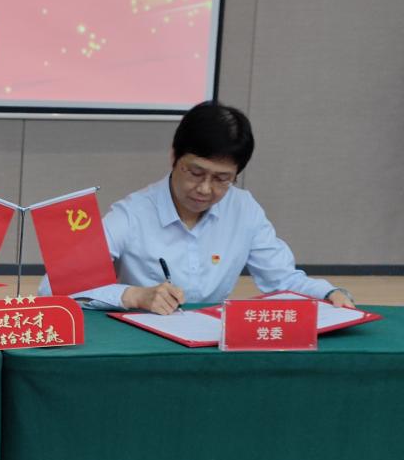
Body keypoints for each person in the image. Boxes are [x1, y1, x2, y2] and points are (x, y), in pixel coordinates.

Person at [38, 101, 354, 314]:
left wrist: (329, 294)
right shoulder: (132, 214)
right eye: (195, 172)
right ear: (174, 156)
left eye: (222, 179)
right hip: (143, 340)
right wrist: (134, 295)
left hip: (212, 344)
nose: (205, 189)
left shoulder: (244, 210)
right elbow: (51, 289)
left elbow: (283, 280)